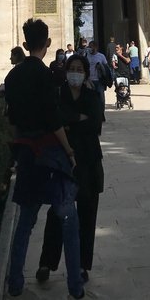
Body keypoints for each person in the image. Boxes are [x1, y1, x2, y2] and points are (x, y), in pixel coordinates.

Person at [4, 18, 84, 299]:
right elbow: (53, 119)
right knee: (68, 221)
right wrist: (70, 151)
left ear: (25, 45)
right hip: (50, 154)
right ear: (48, 44)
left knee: (25, 222)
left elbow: (12, 120)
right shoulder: (47, 76)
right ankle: (75, 287)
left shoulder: (12, 77)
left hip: (26, 154)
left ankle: (15, 283)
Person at [37, 54, 104, 287]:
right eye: (71, 68)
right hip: (64, 161)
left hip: (88, 161)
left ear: (85, 73)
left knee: (87, 213)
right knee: (57, 212)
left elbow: (96, 124)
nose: (75, 72)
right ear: (66, 71)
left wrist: (68, 123)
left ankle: (82, 265)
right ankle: (46, 262)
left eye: (79, 69)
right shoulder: (59, 94)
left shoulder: (92, 95)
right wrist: (78, 118)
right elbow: (55, 119)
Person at [87, 40, 110, 111]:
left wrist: (101, 67)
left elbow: (106, 67)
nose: (90, 48)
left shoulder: (101, 56)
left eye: (91, 47)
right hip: (89, 80)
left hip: (99, 80)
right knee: (90, 99)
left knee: (101, 99)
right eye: (89, 47)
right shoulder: (87, 56)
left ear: (95, 47)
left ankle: (101, 113)